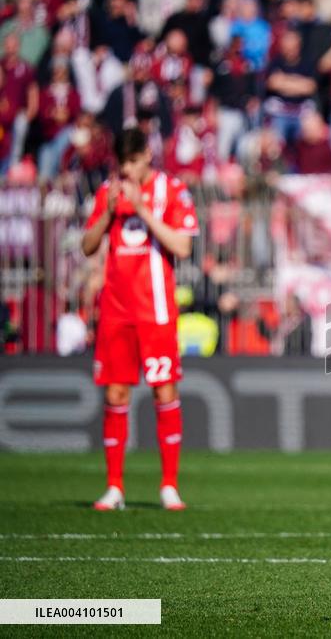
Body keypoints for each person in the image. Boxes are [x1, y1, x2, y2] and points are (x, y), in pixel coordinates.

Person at [80, 128, 199, 511]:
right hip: (116, 309)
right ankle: (114, 487)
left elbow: (182, 245)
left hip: (157, 310)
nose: (128, 170)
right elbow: (87, 246)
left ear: (148, 155)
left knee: (165, 391)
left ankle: (169, 485)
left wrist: (143, 210)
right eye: (123, 163)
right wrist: (110, 212)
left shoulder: (173, 191)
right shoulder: (107, 193)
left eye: (134, 161)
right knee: (115, 393)